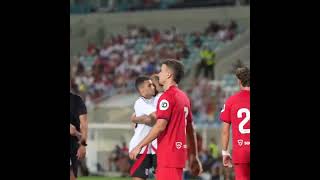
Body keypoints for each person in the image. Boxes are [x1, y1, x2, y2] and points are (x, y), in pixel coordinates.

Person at [129, 59, 202, 180]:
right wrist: (194, 156)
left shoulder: (167, 98)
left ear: (169, 75)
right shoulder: (184, 97)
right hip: (178, 155)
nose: (158, 74)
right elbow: (190, 129)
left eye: (161, 70)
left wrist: (139, 146)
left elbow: (160, 126)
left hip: (168, 155)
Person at [220, 67, 250, 180]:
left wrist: (225, 152)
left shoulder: (231, 101)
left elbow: (225, 131)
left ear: (239, 81)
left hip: (241, 151)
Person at [129, 76, 158, 180]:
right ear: (142, 90)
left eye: (153, 84)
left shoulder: (157, 99)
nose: (153, 86)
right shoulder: (140, 103)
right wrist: (143, 119)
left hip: (155, 147)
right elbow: (155, 118)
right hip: (140, 148)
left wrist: (136, 119)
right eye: (149, 85)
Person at [70, 92, 89, 180]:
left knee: (72, 176)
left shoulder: (77, 100)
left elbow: (84, 124)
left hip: (72, 145)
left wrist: (83, 145)